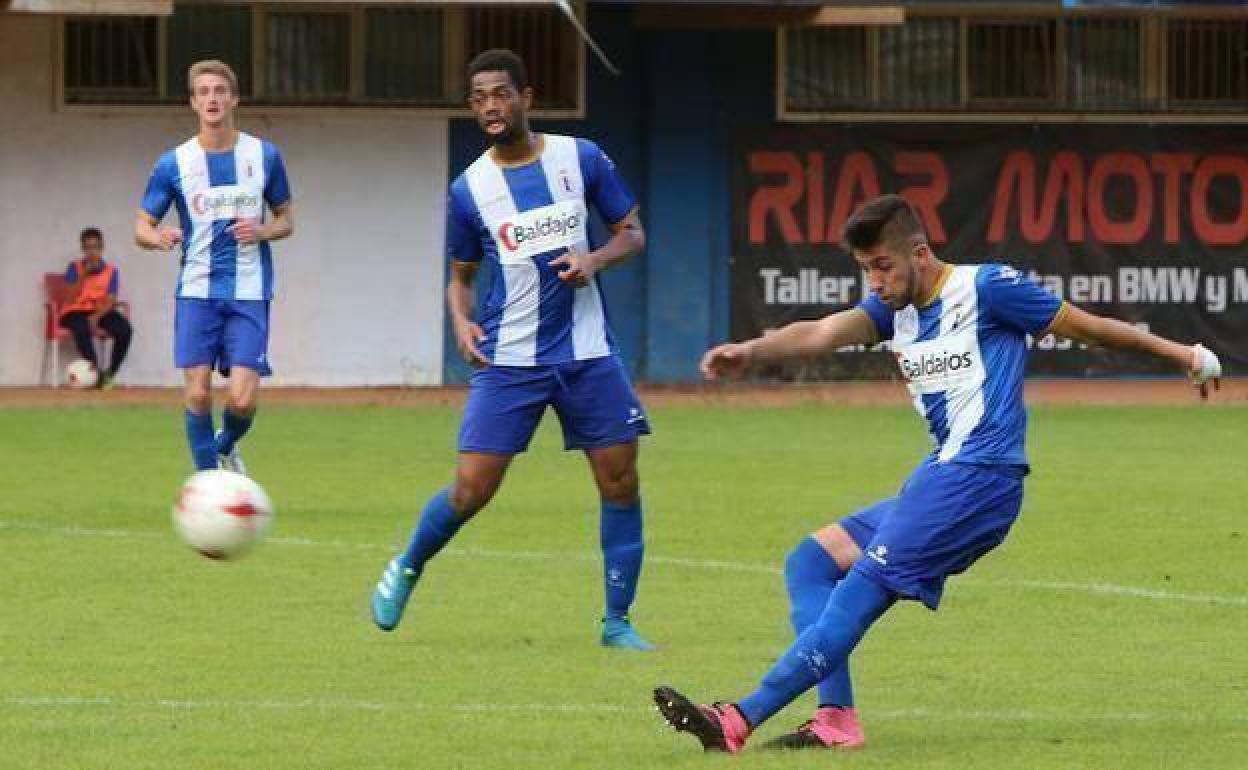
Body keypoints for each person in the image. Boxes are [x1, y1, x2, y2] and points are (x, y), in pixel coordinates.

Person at [653, 193, 1222, 752]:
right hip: (942, 474)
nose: (874, 281)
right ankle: (836, 719)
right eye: (864, 269)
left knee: (859, 593)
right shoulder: (890, 311)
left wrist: (1185, 355)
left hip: (982, 478)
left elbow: (1089, 327)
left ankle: (737, 719)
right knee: (812, 561)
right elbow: (823, 331)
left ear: (919, 254)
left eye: (883, 266)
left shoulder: (988, 288)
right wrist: (751, 351)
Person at [369, 49, 655, 650]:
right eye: (478, 99)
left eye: (500, 95)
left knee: (621, 481)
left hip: (586, 352)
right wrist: (461, 321)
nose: (489, 108)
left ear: (528, 96)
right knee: (472, 488)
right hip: (510, 358)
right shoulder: (470, 188)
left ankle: (616, 622)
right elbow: (461, 274)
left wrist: (593, 259)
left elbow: (632, 232)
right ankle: (408, 566)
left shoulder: (581, 159)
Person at [134, 59, 293, 475]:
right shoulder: (175, 163)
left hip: (250, 292)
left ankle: (224, 445)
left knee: (242, 400)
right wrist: (159, 237)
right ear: (192, 102)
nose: (212, 99)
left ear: (234, 98)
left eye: (220, 91)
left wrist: (261, 231)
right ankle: (207, 483)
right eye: (203, 92)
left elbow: (286, 220)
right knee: (199, 394)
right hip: (196, 291)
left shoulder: (264, 155)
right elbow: (141, 227)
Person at [59, 227, 132, 389]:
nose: (92, 252)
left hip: (100, 311)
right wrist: (84, 274)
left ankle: (110, 374)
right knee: (81, 326)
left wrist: (97, 317)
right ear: (83, 249)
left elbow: (111, 300)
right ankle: (95, 373)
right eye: (88, 248)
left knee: (125, 330)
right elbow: (69, 297)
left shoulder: (111, 271)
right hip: (75, 311)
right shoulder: (74, 267)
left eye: (96, 247)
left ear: (102, 247)